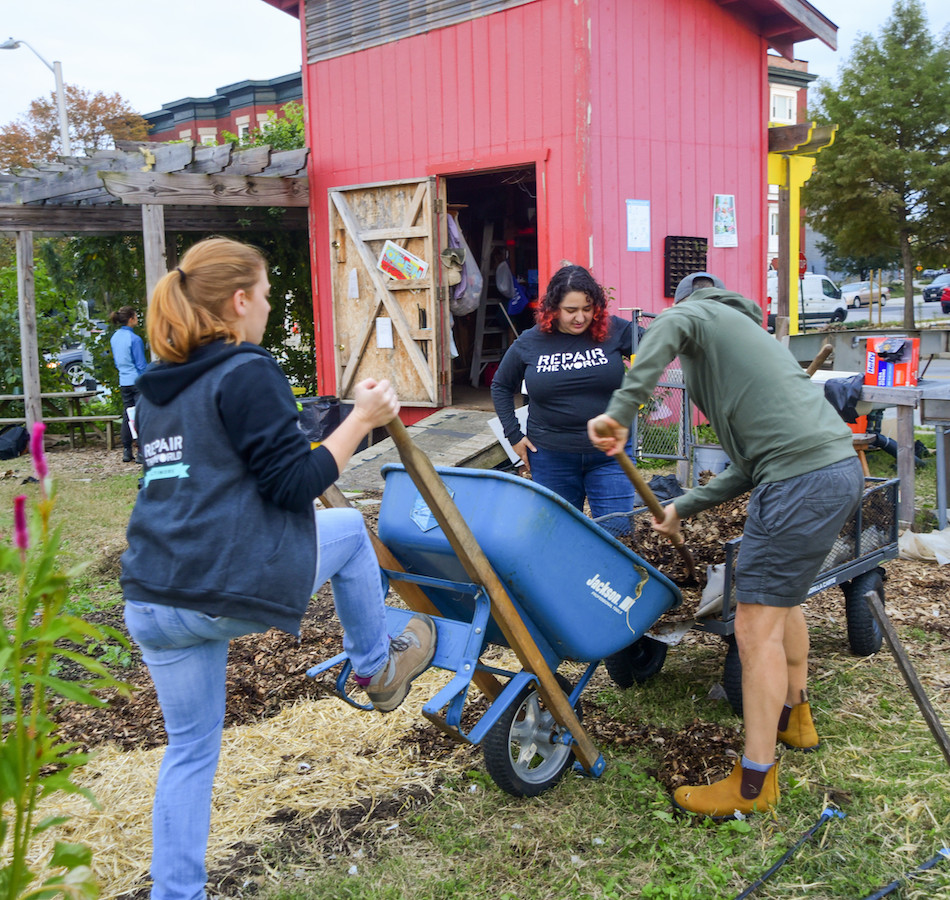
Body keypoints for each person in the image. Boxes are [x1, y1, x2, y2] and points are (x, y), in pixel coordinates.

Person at [120, 236, 437, 900]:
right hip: (216, 583)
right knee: (350, 529)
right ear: (239, 301)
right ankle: (376, 667)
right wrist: (361, 420)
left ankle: (176, 894)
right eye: (265, 295)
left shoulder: (155, 390)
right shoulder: (245, 369)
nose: (266, 307)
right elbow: (294, 482)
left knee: (189, 753)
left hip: (153, 595)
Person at [588, 271, 863, 820]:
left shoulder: (700, 314)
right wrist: (678, 509)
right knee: (783, 604)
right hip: (836, 469)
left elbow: (673, 324)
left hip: (797, 482)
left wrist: (620, 412)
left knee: (752, 626)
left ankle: (754, 783)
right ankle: (796, 717)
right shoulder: (747, 340)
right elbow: (744, 467)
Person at [490, 264, 638, 518]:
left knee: (618, 535)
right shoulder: (530, 342)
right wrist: (513, 435)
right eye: (571, 310)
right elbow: (501, 385)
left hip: (611, 454)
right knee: (560, 534)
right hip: (550, 457)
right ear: (554, 309)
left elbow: (658, 346)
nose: (580, 318)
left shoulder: (614, 330)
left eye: (587, 309)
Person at [108, 305, 148, 462]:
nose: (137, 319)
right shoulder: (135, 339)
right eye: (136, 317)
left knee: (127, 413)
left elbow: (117, 362)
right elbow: (141, 365)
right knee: (139, 414)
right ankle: (140, 450)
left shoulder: (115, 337)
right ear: (131, 319)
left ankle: (126, 450)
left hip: (123, 380)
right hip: (136, 380)